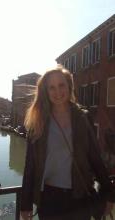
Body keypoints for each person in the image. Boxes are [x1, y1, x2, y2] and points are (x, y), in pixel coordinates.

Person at [20, 65, 115, 220]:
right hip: (49, 199)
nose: (57, 92)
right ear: (46, 91)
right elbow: (30, 165)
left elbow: (95, 158)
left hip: (80, 197)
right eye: (52, 88)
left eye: (61, 85)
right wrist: (25, 204)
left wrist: (109, 193)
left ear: (69, 86)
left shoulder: (83, 118)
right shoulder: (37, 121)